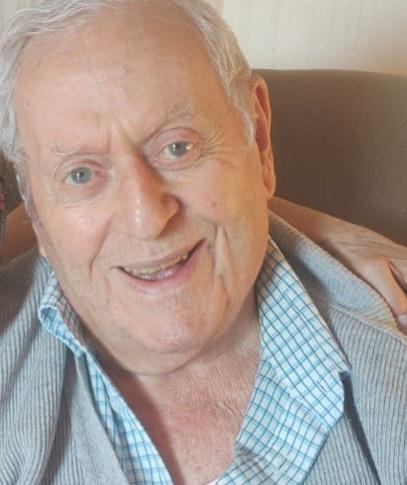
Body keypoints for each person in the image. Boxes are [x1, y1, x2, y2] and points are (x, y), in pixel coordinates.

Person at [0, 1, 405, 484]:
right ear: (34, 208)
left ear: (258, 137)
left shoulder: (390, 354)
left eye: (178, 147)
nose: (147, 221)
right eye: (81, 174)